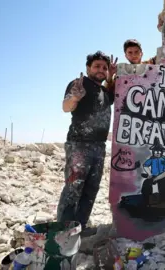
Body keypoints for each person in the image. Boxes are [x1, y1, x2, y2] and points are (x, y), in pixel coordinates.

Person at [57, 51, 118, 236]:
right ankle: (63, 231)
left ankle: (80, 228)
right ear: (88, 68)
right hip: (79, 146)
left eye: (104, 68)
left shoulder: (105, 92)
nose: (101, 70)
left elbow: (113, 93)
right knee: (73, 189)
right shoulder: (79, 84)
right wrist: (74, 98)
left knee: (91, 189)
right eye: (97, 66)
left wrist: (112, 77)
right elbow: (66, 107)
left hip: (99, 147)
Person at [141, 138, 165, 203]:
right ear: (153, 151)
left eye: (159, 151)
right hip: (154, 175)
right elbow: (145, 165)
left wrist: (155, 179)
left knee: (162, 188)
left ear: (162, 152)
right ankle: (147, 200)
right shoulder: (152, 159)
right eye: (156, 151)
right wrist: (149, 174)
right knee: (146, 183)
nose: (158, 153)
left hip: (164, 176)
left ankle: (164, 201)